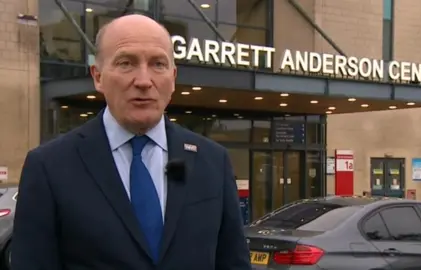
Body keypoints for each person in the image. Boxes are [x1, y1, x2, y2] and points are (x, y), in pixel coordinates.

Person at [11, 14, 251, 270]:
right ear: (98, 76)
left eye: (158, 64)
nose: (144, 81)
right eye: (126, 63)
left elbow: (233, 262)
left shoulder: (213, 161)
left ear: (173, 77)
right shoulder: (49, 166)